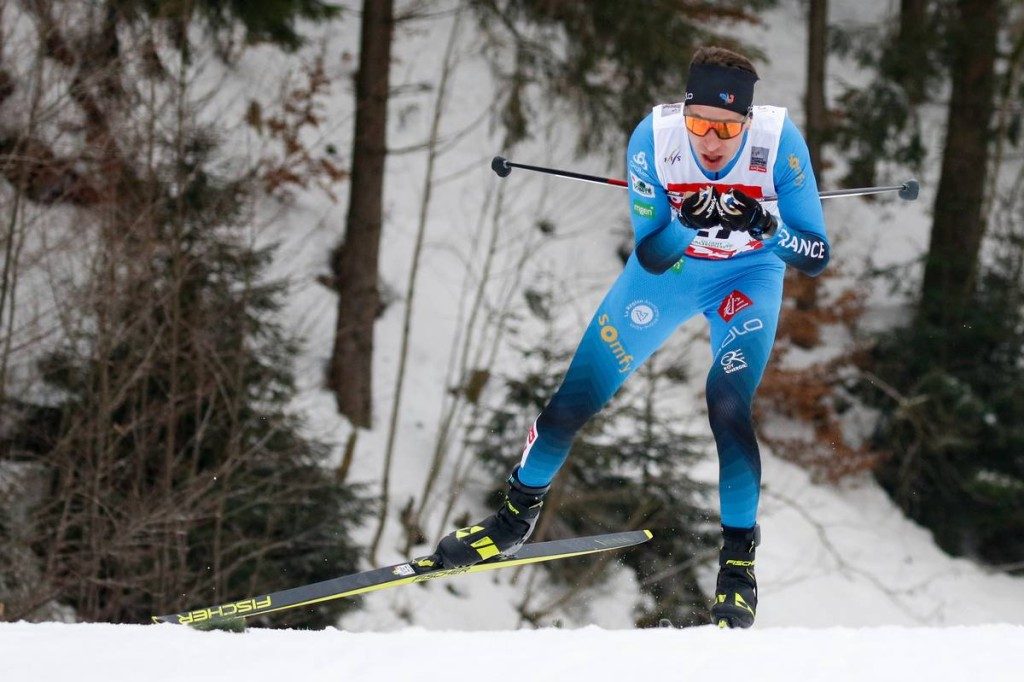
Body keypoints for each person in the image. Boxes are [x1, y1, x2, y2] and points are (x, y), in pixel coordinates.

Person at [417, 46, 830, 629]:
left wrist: (766, 225)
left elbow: (815, 255)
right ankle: (511, 519)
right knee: (570, 406)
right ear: (683, 113)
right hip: (668, 279)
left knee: (728, 405)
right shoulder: (653, 141)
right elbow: (653, 255)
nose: (710, 141)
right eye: (699, 124)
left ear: (747, 123)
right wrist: (687, 220)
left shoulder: (778, 144)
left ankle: (738, 567)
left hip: (747, 280)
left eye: (726, 129)